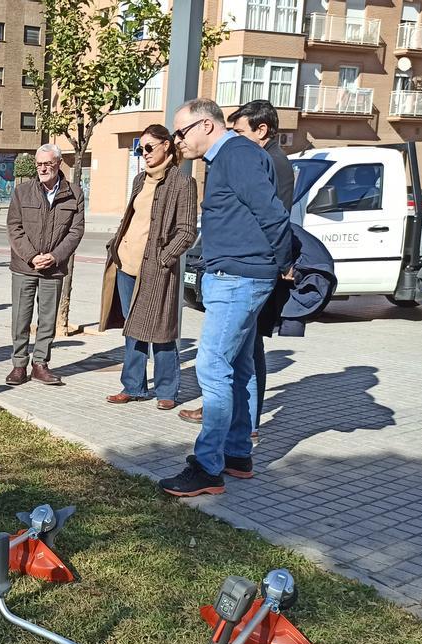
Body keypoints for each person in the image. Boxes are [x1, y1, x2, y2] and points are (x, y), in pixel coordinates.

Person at [158, 98, 291, 498]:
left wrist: (281, 263)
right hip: (237, 275)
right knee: (240, 365)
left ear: (205, 126)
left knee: (213, 368)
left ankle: (207, 467)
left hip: (238, 278)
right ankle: (236, 455)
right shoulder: (232, 157)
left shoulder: (236, 155)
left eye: (181, 133)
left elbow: (273, 214)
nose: (178, 142)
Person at [99, 125, 197, 408]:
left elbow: (187, 231)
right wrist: (114, 247)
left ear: (167, 145)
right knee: (133, 327)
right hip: (126, 265)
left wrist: (165, 259)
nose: (144, 154)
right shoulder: (140, 181)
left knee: (160, 328)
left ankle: (167, 391)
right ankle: (133, 386)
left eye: (149, 147)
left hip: (156, 269)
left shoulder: (182, 183)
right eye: (140, 149)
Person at [5, 143, 85, 386]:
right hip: (24, 267)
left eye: (47, 164)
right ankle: (19, 365)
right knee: (21, 317)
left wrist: (55, 256)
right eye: (39, 164)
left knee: (47, 319)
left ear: (59, 164)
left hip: (54, 268)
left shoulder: (75, 193)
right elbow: (14, 227)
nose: (42, 168)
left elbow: (76, 230)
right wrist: (31, 256)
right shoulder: (22, 191)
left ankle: (40, 364)